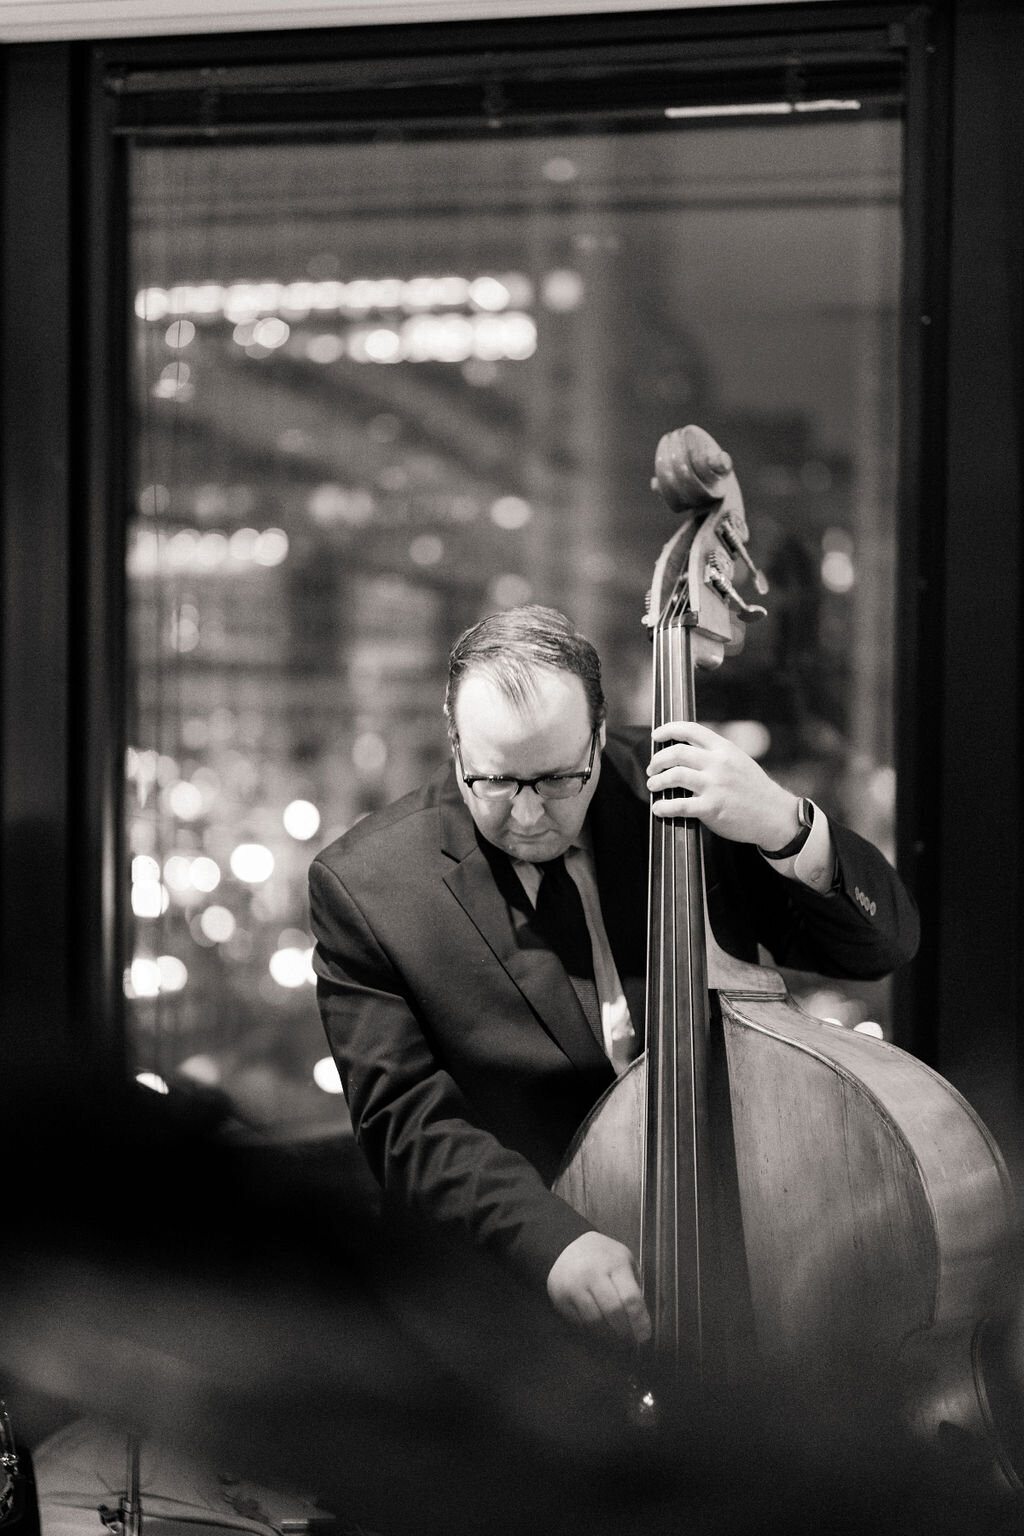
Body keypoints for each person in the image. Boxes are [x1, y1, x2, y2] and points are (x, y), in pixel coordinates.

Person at [309, 524, 919, 1357]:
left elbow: (878, 946)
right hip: (515, 1309)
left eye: (560, 778)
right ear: (455, 745)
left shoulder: (685, 797)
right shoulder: (367, 887)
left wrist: (783, 824)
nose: (528, 813)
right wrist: (551, 1241)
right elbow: (407, 1126)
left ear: (601, 737)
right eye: (493, 780)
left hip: (741, 1257)